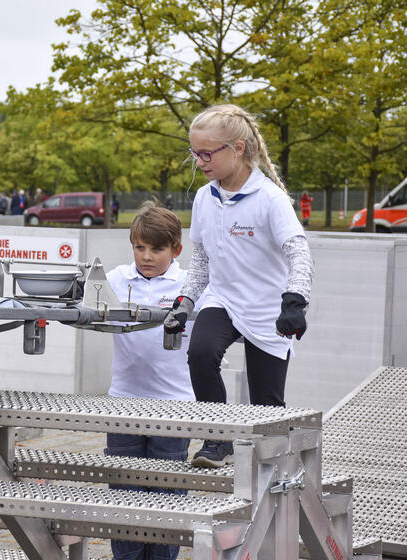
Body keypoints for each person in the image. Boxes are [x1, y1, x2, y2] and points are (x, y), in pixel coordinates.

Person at [164, 104, 313, 468]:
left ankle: (274, 472)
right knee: (199, 354)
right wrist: (185, 301)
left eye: (206, 153)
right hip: (224, 297)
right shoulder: (204, 198)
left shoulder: (270, 199)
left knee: (266, 404)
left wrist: (295, 300)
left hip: (265, 307)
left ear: (238, 149)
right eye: (194, 153)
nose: (199, 162)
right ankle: (218, 440)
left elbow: (299, 252)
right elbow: (201, 261)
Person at [106, 202, 193, 560]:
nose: (146, 256)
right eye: (139, 247)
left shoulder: (189, 285)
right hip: (124, 400)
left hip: (174, 406)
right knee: (124, 492)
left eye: (156, 249)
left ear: (176, 250)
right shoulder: (115, 279)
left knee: (166, 499)